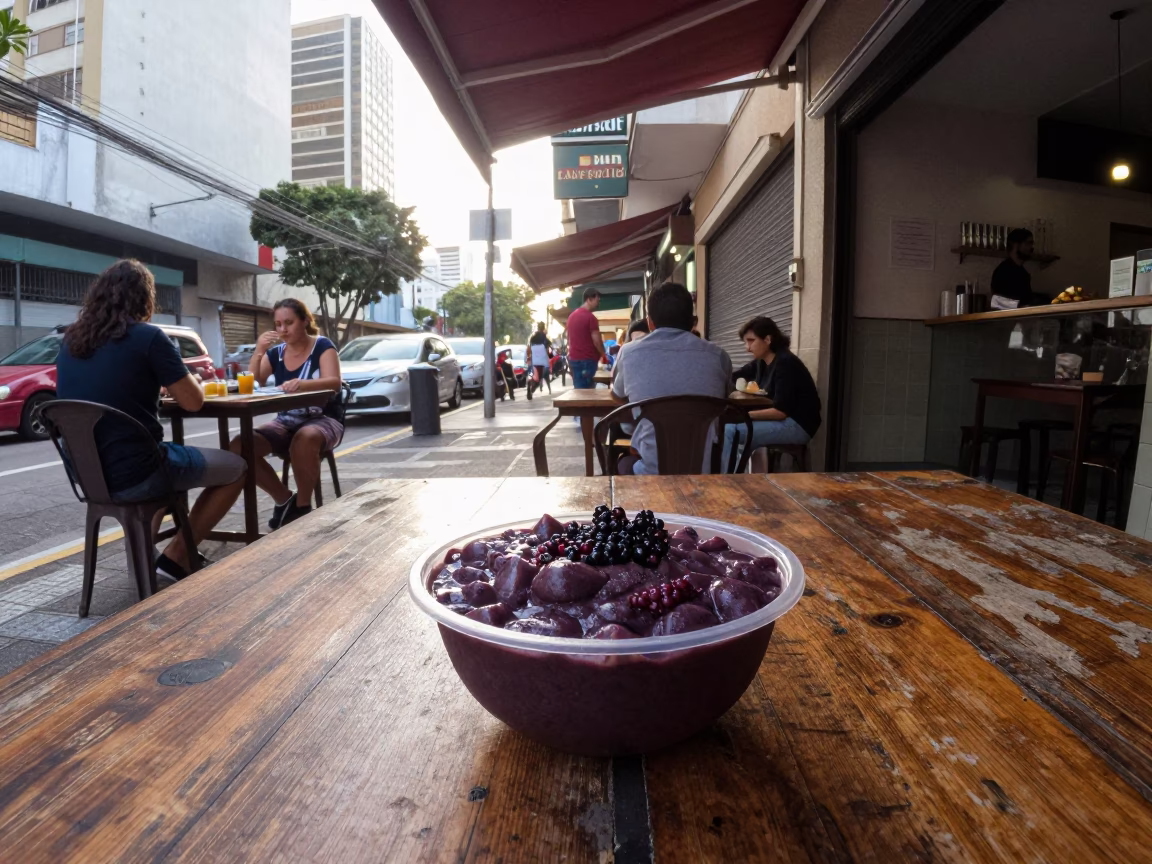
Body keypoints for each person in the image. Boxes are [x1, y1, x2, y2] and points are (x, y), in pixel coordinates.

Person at [54, 259, 247, 581]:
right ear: (144, 298)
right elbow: (192, 402)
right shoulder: (148, 337)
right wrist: (194, 381)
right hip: (137, 473)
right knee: (236, 469)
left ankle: (143, 563)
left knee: (162, 466)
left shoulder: (71, 341)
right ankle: (175, 557)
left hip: (88, 476)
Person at [611, 282, 732, 475]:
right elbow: (724, 400)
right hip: (707, 475)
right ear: (693, 322)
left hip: (651, 474)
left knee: (622, 461)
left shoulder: (629, 352)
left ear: (649, 322)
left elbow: (617, 396)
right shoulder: (719, 356)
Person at [246, 298, 344, 531]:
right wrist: (260, 350)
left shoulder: (322, 346)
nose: (282, 330)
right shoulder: (276, 353)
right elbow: (252, 382)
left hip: (324, 419)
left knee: (305, 437)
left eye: (288, 323)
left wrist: (303, 383)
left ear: (305, 321)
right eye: (278, 324)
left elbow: (335, 382)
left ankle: (301, 507)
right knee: (241, 445)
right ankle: (284, 499)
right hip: (286, 421)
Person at [723, 316, 821, 472]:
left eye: (751, 341)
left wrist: (744, 415)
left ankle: (725, 483)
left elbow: (781, 411)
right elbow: (733, 377)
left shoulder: (786, 363)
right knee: (732, 428)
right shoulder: (761, 362)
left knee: (730, 431)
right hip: (783, 421)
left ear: (767, 339)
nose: (747, 348)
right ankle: (745, 478)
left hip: (798, 425)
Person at [566, 286, 606, 389]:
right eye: (597, 300)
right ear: (589, 299)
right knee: (588, 393)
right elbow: (597, 341)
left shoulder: (571, 317)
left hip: (574, 360)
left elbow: (569, 339)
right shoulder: (590, 318)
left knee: (579, 391)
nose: (598, 304)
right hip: (587, 361)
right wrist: (603, 355)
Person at [991, 228, 1042, 307]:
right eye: (1028, 243)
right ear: (1016, 245)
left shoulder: (1023, 273)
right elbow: (997, 302)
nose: (1031, 248)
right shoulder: (1003, 271)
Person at [526, 321, 553, 399]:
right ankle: (531, 390)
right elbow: (548, 349)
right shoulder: (544, 337)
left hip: (534, 360)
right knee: (539, 378)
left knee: (533, 375)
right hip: (541, 361)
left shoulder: (532, 337)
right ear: (543, 328)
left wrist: (528, 358)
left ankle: (529, 384)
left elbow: (529, 348)